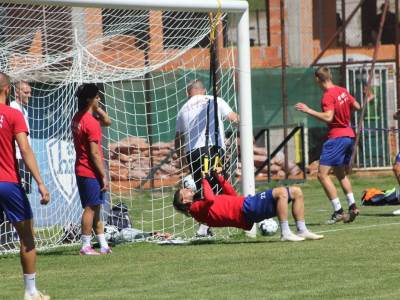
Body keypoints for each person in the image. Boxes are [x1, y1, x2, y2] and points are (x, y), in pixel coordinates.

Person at [295, 66, 373, 224]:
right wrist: (366, 100)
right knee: (340, 173)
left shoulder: (327, 96)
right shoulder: (342, 90)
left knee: (321, 175)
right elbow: (357, 107)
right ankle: (352, 207)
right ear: (330, 77)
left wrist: (309, 110)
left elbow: (329, 117)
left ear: (318, 79)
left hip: (336, 138)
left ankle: (338, 211)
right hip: (348, 136)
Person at [0, 72, 51, 299]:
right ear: (8, 90)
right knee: (27, 235)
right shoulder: (13, 114)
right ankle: (30, 291)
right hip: (7, 182)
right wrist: (41, 183)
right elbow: (26, 150)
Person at [173, 171, 323, 241]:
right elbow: (211, 199)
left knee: (296, 192)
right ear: (184, 201)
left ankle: (302, 230)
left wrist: (219, 178)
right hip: (246, 208)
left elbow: (232, 196)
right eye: (184, 191)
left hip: (246, 206)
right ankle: (285, 233)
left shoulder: (198, 205)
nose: (187, 189)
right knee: (282, 193)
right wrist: (205, 180)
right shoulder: (194, 209)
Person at [174, 79, 239, 236]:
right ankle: (212, 223)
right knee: (217, 185)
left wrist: (182, 158)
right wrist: (243, 120)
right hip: (213, 149)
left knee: (203, 188)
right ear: (203, 91)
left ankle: (204, 225)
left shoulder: (183, 109)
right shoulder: (214, 100)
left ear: (187, 93)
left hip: (193, 153)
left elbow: (178, 139)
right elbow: (233, 118)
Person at [72, 83, 112, 255]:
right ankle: (86, 245)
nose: (100, 98)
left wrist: (96, 108)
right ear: (90, 99)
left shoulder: (78, 117)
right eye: (97, 97)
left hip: (81, 168)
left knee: (96, 208)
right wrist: (103, 175)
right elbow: (95, 153)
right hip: (90, 170)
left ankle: (103, 244)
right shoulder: (90, 122)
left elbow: (107, 122)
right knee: (90, 207)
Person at [10, 80, 32, 194]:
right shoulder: (13, 108)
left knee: (24, 192)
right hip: (17, 157)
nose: (29, 95)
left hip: (24, 157)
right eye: (26, 92)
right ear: (17, 93)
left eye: (30, 92)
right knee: (17, 192)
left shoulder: (24, 110)